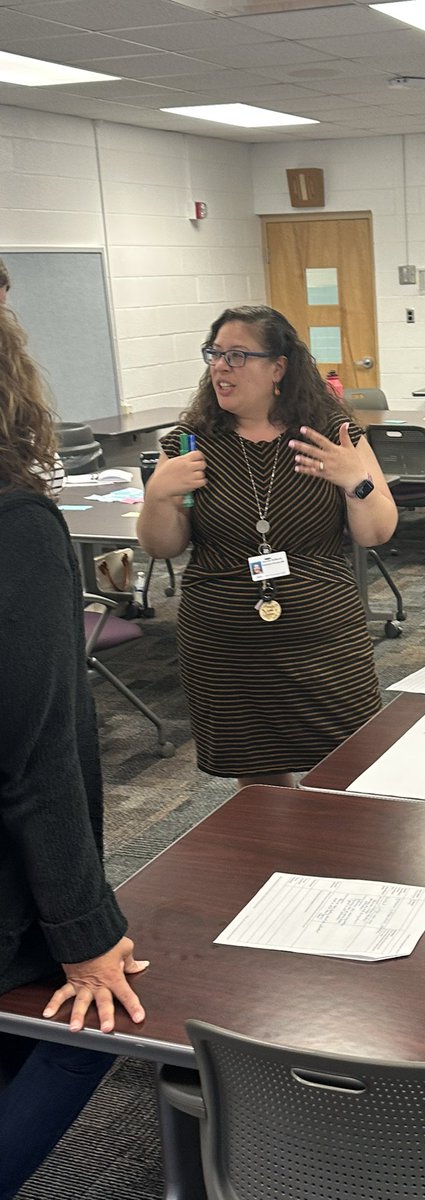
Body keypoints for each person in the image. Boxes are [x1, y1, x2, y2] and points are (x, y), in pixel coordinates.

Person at [0, 305, 147, 1200]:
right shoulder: (17, 524)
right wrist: (85, 933)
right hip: (16, 896)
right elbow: (33, 758)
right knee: (97, 1031)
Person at [137, 305, 397, 789]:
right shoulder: (189, 444)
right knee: (259, 786)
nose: (220, 366)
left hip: (325, 639)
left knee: (352, 770)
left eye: (237, 355)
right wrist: (157, 495)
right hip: (225, 646)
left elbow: (376, 532)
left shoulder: (332, 436)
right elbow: (163, 546)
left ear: (278, 367)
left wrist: (354, 482)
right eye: (214, 354)